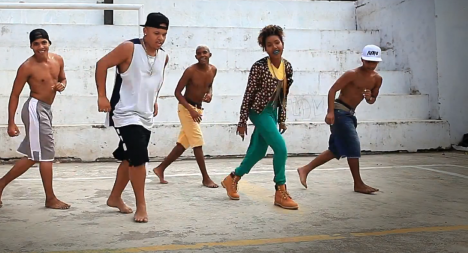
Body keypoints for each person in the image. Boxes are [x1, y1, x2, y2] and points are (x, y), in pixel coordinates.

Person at [95, 12, 170, 223]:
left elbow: (156, 80)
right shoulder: (129, 48)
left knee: (130, 158)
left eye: (164, 34)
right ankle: (142, 206)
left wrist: (154, 99)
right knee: (139, 157)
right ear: (145, 30)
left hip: (145, 114)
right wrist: (102, 96)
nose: (160, 38)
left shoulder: (164, 56)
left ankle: (114, 197)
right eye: (156, 33)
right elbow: (101, 65)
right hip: (124, 113)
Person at [0, 29, 70, 209]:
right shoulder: (27, 67)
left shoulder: (58, 60)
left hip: (46, 109)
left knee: (35, 155)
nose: (41, 47)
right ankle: (50, 199)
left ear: (49, 43)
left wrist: (61, 85)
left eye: (44, 42)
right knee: (46, 154)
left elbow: (64, 78)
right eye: (36, 44)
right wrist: (11, 122)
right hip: (35, 109)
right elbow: (14, 95)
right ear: (31, 46)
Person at [221, 24, 299, 210]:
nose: (274, 47)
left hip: (272, 113)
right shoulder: (259, 67)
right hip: (259, 112)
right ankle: (280, 191)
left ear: (282, 43)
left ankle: (232, 178)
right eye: (269, 44)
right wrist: (242, 121)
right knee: (281, 148)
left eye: (277, 42)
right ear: (265, 48)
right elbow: (248, 94)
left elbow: (284, 95)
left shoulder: (287, 67)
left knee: (257, 151)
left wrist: (282, 118)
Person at [297, 45, 383, 194]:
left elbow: (372, 99)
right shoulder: (352, 74)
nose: (370, 64)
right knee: (353, 146)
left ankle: (305, 169)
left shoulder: (377, 79)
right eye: (368, 61)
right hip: (339, 112)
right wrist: (330, 112)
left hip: (350, 114)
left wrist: (369, 97)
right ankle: (358, 184)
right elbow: (333, 90)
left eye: (374, 62)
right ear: (362, 59)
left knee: (336, 149)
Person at [153, 45, 218, 188]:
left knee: (183, 144)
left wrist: (209, 94)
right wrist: (190, 110)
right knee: (198, 142)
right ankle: (205, 178)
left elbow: (210, 85)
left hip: (198, 109)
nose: (202, 55)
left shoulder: (213, 70)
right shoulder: (190, 71)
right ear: (196, 57)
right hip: (186, 109)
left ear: (210, 54)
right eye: (199, 53)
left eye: (204, 53)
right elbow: (177, 92)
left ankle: (160, 168)